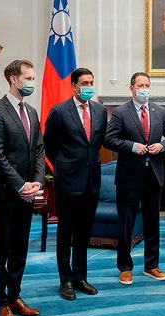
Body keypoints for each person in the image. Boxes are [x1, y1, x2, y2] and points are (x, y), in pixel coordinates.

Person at [105, 72, 165, 285]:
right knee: (126, 224)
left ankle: (151, 265)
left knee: (152, 224)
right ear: (131, 89)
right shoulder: (120, 112)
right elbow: (109, 139)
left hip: (153, 176)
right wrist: (131, 146)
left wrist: (162, 146)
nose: (144, 88)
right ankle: (125, 267)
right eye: (140, 85)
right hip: (129, 177)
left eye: (147, 85)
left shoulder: (160, 111)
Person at [0, 59, 45, 316]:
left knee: (21, 248)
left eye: (33, 78)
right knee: (3, 249)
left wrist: (37, 182)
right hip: (5, 194)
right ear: (14, 79)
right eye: (29, 78)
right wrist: (20, 184)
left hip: (28, 194)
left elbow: (39, 151)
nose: (32, 82)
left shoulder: (31, 112)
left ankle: (14, 296)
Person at [43, 67, 107, 301]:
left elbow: (98, 143)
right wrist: (64, 164)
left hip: (91, 182)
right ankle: (65, 280)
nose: (89, 86)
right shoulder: (60, 111)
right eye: (85, 83)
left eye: (92, 82)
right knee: (65, 232)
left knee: (84, 232)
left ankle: (80, 276)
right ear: (74, 86)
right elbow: (49, 145)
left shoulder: (100, 111)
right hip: (68, 181)